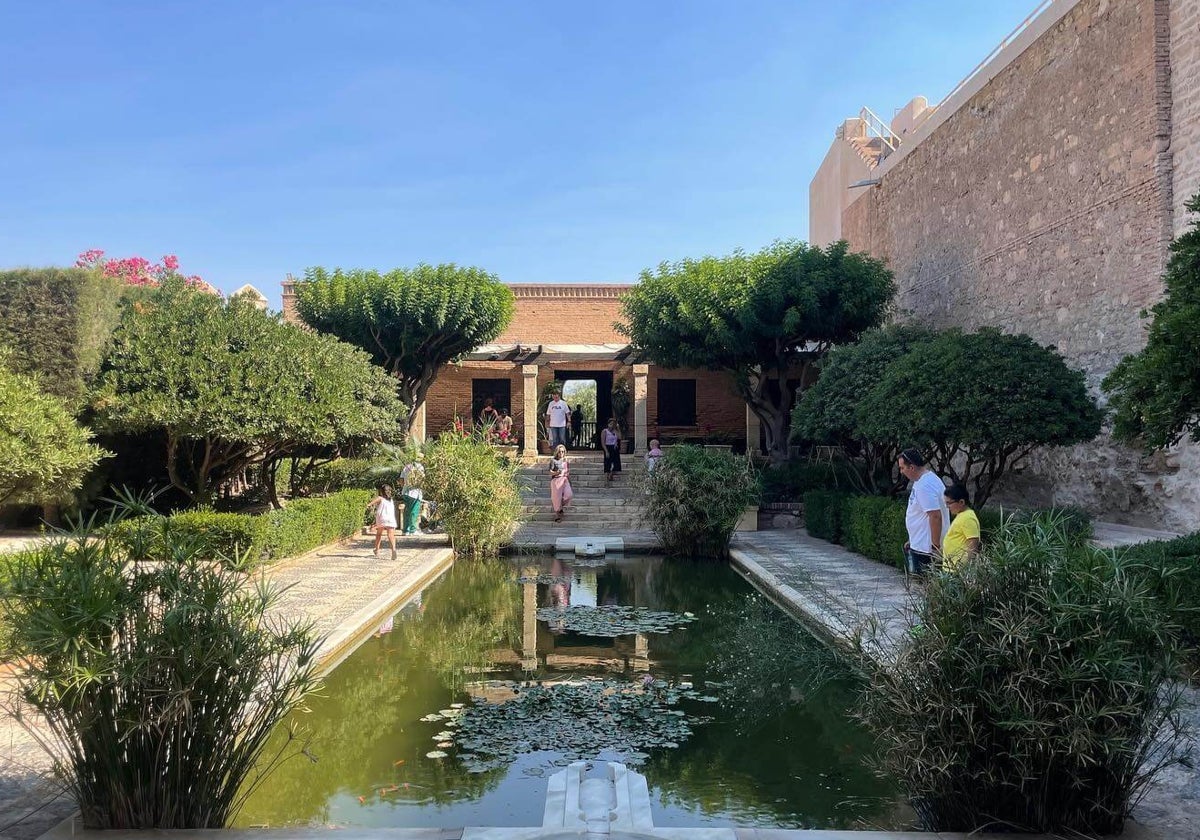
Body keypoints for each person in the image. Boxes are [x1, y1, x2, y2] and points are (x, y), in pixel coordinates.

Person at [897, 448, 949, 576]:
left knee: (923, 586)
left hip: (925, 549)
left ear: (912, 467)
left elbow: (935, 516)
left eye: (902, 468)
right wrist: (912, 538)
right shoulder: (922, 481)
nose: (901, 472)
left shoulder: (925, 485)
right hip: (919, 544)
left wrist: (935, 547)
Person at [942, 483, 982, 572]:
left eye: (949, 503)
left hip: (959, 570)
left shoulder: (968, 518)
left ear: (961, 502)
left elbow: (973, 543)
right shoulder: (961, 515)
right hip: (951, 567)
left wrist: (967, 569)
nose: (947, 506)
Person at [368, 484, 398, 560]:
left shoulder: (380, 498)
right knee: (391, 535)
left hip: (381, 518)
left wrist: (368, 506)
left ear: (381, 491)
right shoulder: (391, 500)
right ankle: (393, 550)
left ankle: (377, 550)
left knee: (379, 534)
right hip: (391, 519)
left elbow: (370, 504)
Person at [400, 454, 425, 536]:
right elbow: (421, 479)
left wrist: (405, 487)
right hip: (415, 493)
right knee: (414, 511)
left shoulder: (406, 466)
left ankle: (405, 530)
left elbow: (401, 480)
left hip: (405, 492)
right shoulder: (420, 467)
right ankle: (413, 530)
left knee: (407, 511)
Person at [549, 444, 573, 522]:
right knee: (556, 499)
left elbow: (567, 472)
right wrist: (556, 473)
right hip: (556, 480)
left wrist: (570, 481)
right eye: (560, 452)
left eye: (563, 451)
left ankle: (560, 508)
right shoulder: (553, 460)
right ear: (557, 452)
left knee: (568, 495)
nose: (561, 453)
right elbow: (550, 471)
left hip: (565, 480)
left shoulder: (566, 461)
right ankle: (557, 515)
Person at [601, 418, 622, 482]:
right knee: (607, 463)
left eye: (613, 424)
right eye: (610, 424)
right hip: (608, 447)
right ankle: (606, 479)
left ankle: (611, 474)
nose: (612, 425)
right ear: (608, 424)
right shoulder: (605, 431)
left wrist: (618, 429)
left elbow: (620, 437)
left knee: (617, 463)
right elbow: (603, 442)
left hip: (615, 448)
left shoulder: (615, 431)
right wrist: (606, 451)